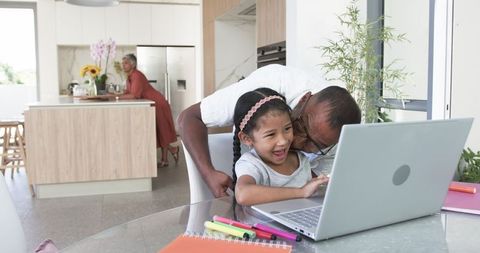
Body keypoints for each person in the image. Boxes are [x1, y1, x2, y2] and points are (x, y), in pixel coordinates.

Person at [178, 64, 361, 198]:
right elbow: (188, 117)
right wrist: (209, 174)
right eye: (298, 127)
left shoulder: (336, 141)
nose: (292, 141)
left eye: (314, 145)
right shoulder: (271, 83)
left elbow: (319, 186)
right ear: (304, 99)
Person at [232, 88, 329, 206]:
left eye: (287, 129)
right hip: (261, 224)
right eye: (271, 134)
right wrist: (301, 192)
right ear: (247, 138)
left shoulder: (301, 159)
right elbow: (243, 195)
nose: (283, 141)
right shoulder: (251, 164)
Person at [119, 53, 179, 167]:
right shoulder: (130, 77)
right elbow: (128, 92)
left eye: (125, 63)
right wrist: (117, 94)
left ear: (133, 64)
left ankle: (165, 160)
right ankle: (172, 150)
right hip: (151, 103)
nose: (123, 65)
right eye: (122, 63)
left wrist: (116, 98)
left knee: (162, 130)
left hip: (158, 103)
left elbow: (135, 95)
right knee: (158, 130)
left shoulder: (137, 75)